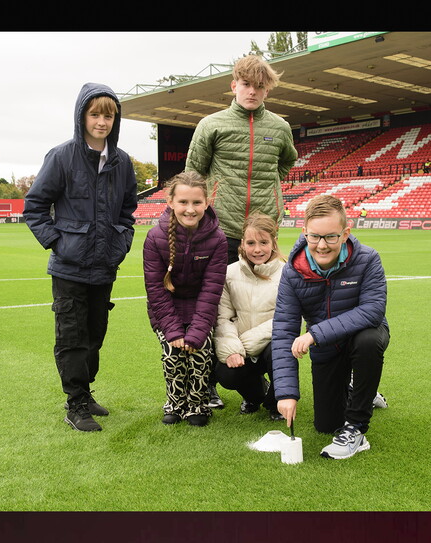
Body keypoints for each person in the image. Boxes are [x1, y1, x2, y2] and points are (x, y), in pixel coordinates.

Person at [184, 54, 298, 408]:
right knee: (212, 306)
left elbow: (287, 161)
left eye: (260, 86)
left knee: (268, 305)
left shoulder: (279, 127)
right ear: (234, 85)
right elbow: (194, 172)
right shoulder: (211, 124)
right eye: (247, 84)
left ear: (267, 90)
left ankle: (263, 377)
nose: (253, 91)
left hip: (264, 232)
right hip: (223, 230)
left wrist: (272, 197)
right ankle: (209, 383)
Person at [23, 82, 138, 432]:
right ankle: (75, 404)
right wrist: (58, 242)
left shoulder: (122, 162)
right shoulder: (62, 156)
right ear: (82, 116)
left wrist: (122, 243)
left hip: (104, 266)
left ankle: (85, 394)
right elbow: (35, 206)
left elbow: (128, 211)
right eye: (95, 114)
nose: (102, 121)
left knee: (95, 336)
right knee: (72, 337)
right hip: (69, 268)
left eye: (108, 115)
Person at [271, 195, 390, 460]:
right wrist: (287, 393)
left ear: (346, 233)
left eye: (331, 237)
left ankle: (357, 428)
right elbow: (283, 331)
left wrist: (315, 333)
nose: (322, 246)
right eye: (315, 237)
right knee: (325, 425)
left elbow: (372, 311)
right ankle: (361, 390)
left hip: (360, 336)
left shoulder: (368, 259)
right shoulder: (292, 272)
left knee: (368, 341)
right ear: (304, 233)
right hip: (327, 348)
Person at [143, 171, 228, 427]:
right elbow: (156, 291)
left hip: (201, 308)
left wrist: (198, 330)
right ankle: (175, 403)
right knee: (173, 353)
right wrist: (173, 330)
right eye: (183, 202)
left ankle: (198, 404)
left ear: (206, 203)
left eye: (196, 203)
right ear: (170, 201)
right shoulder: (155, 238)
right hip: (167, 309)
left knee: (200, 351)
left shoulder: (217, 239)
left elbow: (212, 289)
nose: (190, 209)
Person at [214, 213, 286, 421]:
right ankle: (254, 396)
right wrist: (233, 350)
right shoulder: (229, 274)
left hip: (270, 345)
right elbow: (223, 318)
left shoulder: (287, 274)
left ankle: (276, 403)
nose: (257, 249)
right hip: (241, 347)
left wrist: (244, 345)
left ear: (274, 243)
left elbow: (286, 319)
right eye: (251, 242)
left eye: (263, 242)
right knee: (226, 373)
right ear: (242, 244)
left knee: (280, 352)